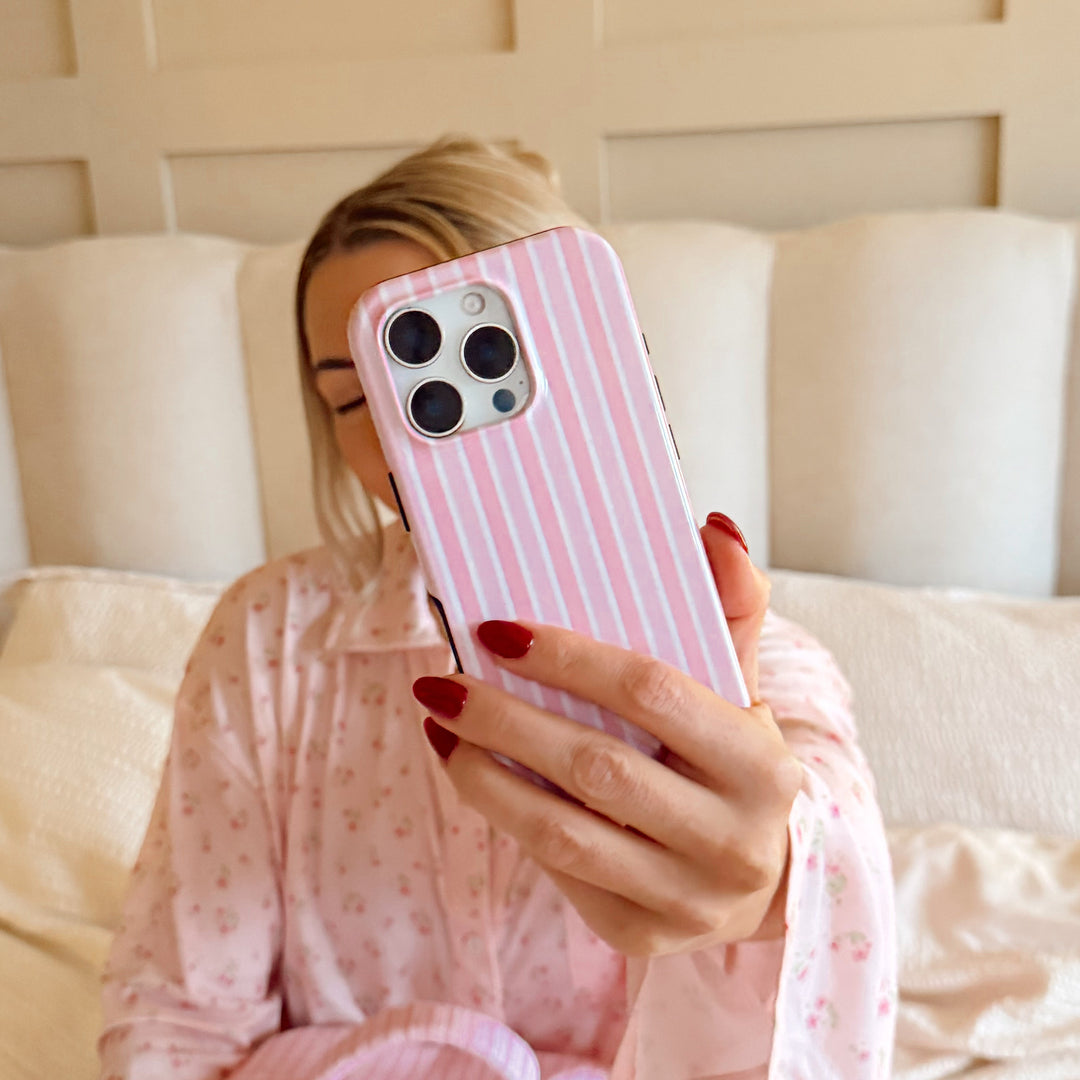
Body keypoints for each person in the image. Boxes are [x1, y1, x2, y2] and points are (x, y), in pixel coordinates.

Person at [99, 136, 897, 1080]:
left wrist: (779, 884)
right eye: (353, 399)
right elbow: (176, 1024)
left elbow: (826, 829)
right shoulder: (269, 640)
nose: (399, 442)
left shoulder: (756, 671)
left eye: (471, 366)